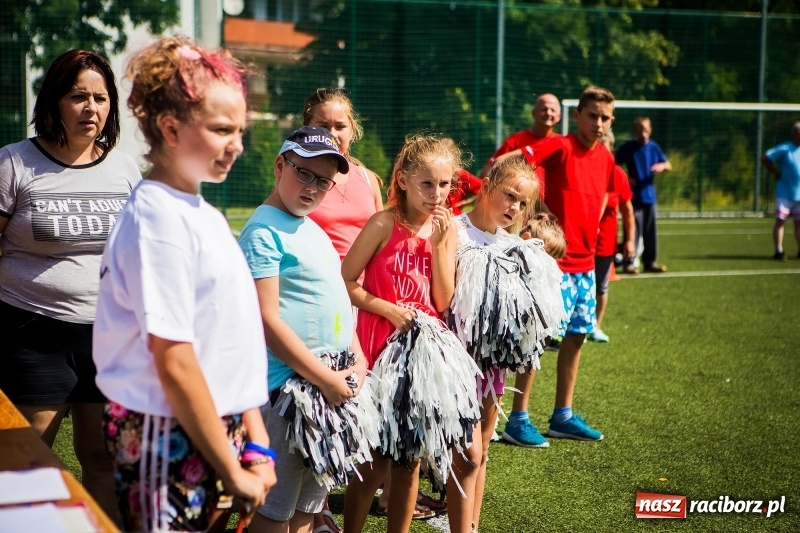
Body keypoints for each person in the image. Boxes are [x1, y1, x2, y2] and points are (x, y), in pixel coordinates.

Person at [92, 37, 276, 532]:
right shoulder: (157, 220)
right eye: (221, 130)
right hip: (165, 434)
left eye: (240, 130)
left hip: (215, 433)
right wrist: (231, 468)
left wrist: (255, 444)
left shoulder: (202, 214)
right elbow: (174, 359)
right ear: (171, 129)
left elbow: (228, 343)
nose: (237, 144)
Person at [0, 48, 141, 522]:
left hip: (108, 335)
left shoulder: (123, 168)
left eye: (100, 98)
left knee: (103, 458)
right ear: (54, 101)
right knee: (28, 461)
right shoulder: (14, 163)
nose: (91, 109)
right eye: (78, 97)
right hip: (32, 331)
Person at [238, 126, 369, 533]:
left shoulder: (312, 228)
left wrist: (359, 358)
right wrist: (325, 379)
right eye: (304, 173)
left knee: (306, 511)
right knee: (273, 513)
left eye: (324, 181)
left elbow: (338, 301)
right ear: (280, 166)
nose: (313, 187)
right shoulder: (262, 232)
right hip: (288, 395)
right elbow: (266, 320)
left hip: (326, 390)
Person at [341, 133, 468, 533]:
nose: (436, 194)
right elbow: (345, 282)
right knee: (372, 462)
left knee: (409, 461)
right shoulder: (383, 223)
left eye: (444, 184)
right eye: (426, 183)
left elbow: (443, 299)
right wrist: (389, 310)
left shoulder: (445, 229)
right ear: (402, 180)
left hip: (421, 360)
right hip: (379, 352)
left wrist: (441, 244)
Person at [494, 85, 619, 443]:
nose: (598, 123)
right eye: (592, 116)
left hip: (586, 265)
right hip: (554, 265)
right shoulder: (561, 146)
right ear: (577, 116)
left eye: (605, 118)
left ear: (612, 121)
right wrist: (537, 209)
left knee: (577, 336)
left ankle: (562, 416)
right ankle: (518, 418)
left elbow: (600, 200)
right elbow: (509, 163)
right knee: (537, 339)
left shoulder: (607, 158)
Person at [447, 155, 561, 533]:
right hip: (455, 360)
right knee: (465, 454)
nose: (514, 207)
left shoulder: (513, 244)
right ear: (487, 185)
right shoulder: (455, 230)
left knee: (482, 448)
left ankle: (472, 525)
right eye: (509, 195)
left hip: (492, 365)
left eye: (523, 203)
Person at [483, 92, 563, 449]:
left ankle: (517, 416)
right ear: (533, 111)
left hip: (537, 233)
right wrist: (525, 154)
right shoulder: (519, 141)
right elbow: (495, 165)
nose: (548, 113)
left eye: (554, 109)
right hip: (513, 232)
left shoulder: (562, 144)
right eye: (543, 107)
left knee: (531, 329)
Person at [591, 129, 636, 343]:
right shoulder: (585, 170)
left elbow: (627, 210)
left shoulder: (618, 175)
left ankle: (595, 327)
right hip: (578, 240)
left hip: (604, 242)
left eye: (605, 148)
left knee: (600, 285)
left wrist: (630, 240)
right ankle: (569, 327)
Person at [614, 116, 671, 273]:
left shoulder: (654, 147)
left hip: (650, 197)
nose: (643, 134)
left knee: (650, 232)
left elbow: (668, 164)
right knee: (632, 231)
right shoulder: (628, 147)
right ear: (635, 131)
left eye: (645, 130)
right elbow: (613, 164)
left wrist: (662, 166)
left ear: (650, 130)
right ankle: (629, 262)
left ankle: (650, 262)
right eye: (640, 131)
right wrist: (625, 177)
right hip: (632, 197)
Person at [760, 121, 800, 261]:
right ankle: (779, 251)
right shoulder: (785, 148)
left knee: (799, 224)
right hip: (785, 193)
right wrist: (775, 171)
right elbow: (765, 158)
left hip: (799, 195)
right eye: (798, 133)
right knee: (780, 221)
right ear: (792, 134)